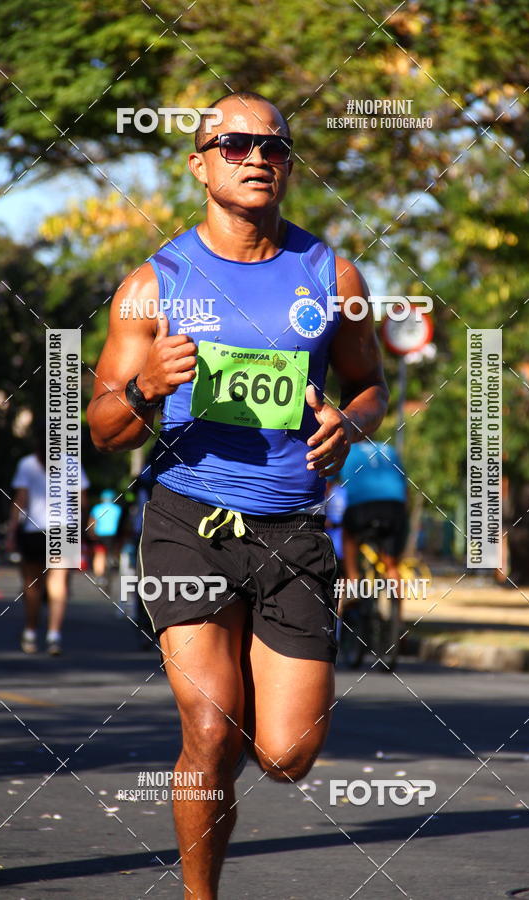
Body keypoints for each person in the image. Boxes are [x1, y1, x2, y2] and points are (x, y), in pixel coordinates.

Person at [87, 90, 388, 898]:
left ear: (290, 163)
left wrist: (349, 427)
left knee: (286, 755)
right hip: (188, 516)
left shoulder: (334, 274)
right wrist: (146, 385)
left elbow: (369, 384)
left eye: (275, 146)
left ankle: (253, 670)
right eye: (234, 143)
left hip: (292, 527)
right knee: (210, 730)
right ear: (199, 164)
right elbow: (103, 429)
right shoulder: (154, 283)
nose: (257, 156)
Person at [6, 428, 89, 655]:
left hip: (35, 529)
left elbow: (20, 500)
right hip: (64, 528)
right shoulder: (72, 463)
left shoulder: (27, 464)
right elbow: (81, 501)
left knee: (32, 585)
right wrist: (82, 531)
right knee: (58, 583)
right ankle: (54, 635)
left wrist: (11, 532)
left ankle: (31, 632)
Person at [340, 439, 408, 605]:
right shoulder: (388, 449)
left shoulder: (344, 449)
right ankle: (397, 622)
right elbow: (404, 483)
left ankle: (353, 581)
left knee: (348, 536)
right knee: (392, 566)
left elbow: (326, 483)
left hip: (362, 507)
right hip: (394, 506)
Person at [87, 489, 123, 587]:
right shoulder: (117, 509)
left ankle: (99, 576)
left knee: (99, 555)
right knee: (110, 554)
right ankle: (111, 565)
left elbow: (92, 522)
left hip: (99, 534)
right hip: (112, 535)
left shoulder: (96, 508)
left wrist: (91, 532)